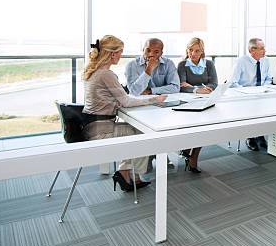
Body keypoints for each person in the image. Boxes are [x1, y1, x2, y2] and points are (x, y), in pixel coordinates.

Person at [83, 35, 166, 192]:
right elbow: (126, 102)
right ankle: (129, 173)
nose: (121, 55)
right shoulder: (106, 74)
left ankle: (127, 172)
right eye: (120, 52)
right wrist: (154, 100)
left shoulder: (94, 71)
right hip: (100, 131)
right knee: (145, 134)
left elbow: (113, 98)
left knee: (135, 131)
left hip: (91, 125)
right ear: (112, 54)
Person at [176, 37, 218, 172]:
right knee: (192, 128)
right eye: (190, 50)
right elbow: (181, 86)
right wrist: (197, 89)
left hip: (205, 99)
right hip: (188, 101)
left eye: (197, 51)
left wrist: (206, 89)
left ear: (202, 51)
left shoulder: (209, 64)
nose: (193, 53)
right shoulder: (182, 65)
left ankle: (193, 156)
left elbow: (214, 83)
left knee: (204, 129)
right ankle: (187, 151)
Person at [230, 38, 271, 151]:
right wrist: (246, 92)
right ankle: (250, 137)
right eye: (262, 48)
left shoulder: (265, 60)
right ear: (252, 50)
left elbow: (268, 78)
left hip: (261, 93)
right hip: (245, 96)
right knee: (252, 109)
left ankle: (260, 134)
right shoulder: (241, 61)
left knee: (267, 108)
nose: (265, 51)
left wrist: (265, 87)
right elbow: (232, 82)